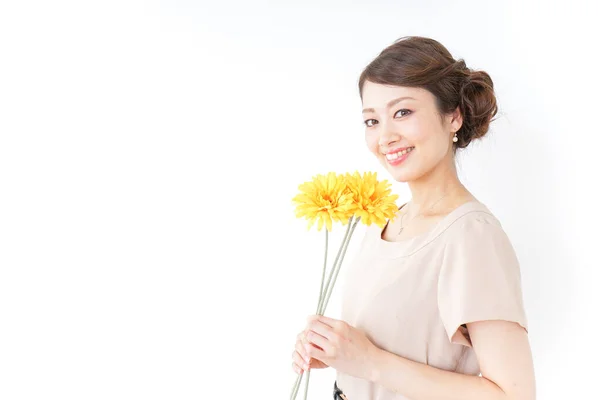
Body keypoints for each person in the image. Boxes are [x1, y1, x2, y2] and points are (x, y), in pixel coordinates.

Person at [290, 36, 536, 400]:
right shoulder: (386, 220)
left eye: (402, 112)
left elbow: (514, 395)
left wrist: (369, 362)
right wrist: (336, 350)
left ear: (454, 116)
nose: (385, 136)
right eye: (372, 120)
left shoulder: (471, 236)